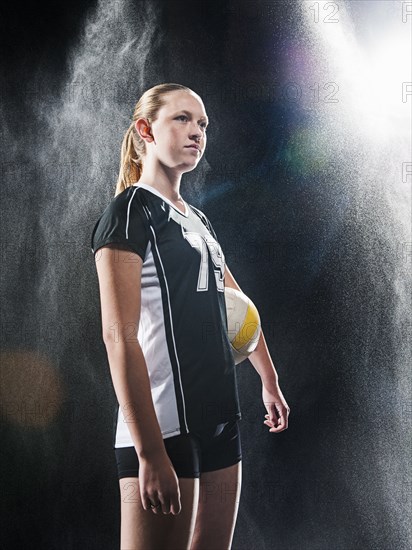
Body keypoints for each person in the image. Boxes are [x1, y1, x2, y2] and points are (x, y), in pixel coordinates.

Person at [91, 83, 290, 550]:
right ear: (145, 129)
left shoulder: (198, 220)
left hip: (220, 422)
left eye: (202, 123)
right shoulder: (128, 214)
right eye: (181, 119)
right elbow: (118, 336)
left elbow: (236, 301)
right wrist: (149, 452)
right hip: (162, 428)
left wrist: (269, 380)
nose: (196, 131)